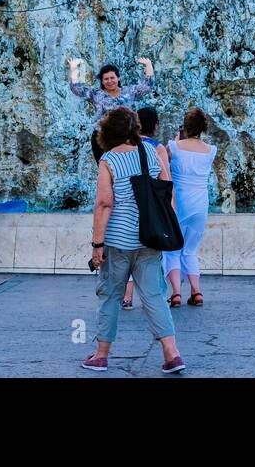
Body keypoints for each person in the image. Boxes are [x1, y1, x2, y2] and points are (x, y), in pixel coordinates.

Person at [83, 108, 186, 374]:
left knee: (110, 295)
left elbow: (105, 203)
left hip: (118, 240)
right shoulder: (150, 152)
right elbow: (166, 186)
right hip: (149, 237)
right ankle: (172, 354)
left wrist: (97, 244)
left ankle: (101, 355)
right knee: (154, 296)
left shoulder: (108, 160)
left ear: (108, 132)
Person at [164, 107, 217, 307]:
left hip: (178, 202)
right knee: (190, 249)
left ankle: (176, 293)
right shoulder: (211, 150)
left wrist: (177, 140)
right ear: (203, 128)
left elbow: (163, 165)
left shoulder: (174, 146)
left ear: (185, 126)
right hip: (200, 203)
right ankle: (197, 291)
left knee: (172, 250)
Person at [122, 107, 168, 310]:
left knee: (131, 249)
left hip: (130, 206)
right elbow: (166, 181)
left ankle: (127, 297)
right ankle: (158, 298)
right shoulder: (157, 148)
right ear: (155, 125)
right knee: (152, 255)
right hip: (150, 207)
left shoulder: (126, 145)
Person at [68, 56, 155, 161]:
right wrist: (73, 68)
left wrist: (148, 65)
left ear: (118, 78)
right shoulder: (96, 94)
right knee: (104, 166)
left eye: (112, 78)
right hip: (101, 137)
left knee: (124, 167)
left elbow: (147, 86)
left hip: (125, 136)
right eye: (106, 79)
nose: (109, 81)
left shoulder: (129, 92)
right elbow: (76, 88)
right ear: (102, 81)